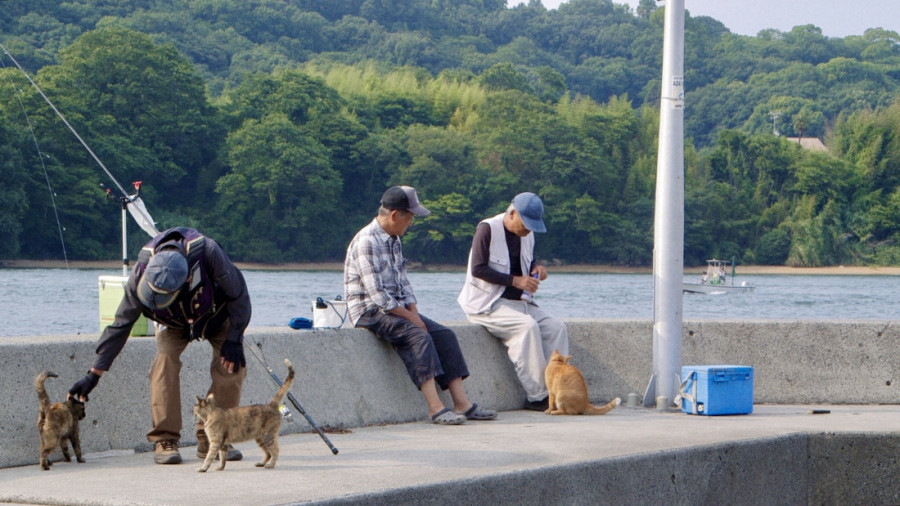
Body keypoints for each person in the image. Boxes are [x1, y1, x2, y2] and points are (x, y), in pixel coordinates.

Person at [68, 227, 251, 465]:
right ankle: (165, 439)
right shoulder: (140, 273)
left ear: (186, 279)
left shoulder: (209, 252)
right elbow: (121, 324)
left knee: (232, 366)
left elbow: (239, 294)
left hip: (214, 315)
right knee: (164, 361)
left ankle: (212, 437)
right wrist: (93, 375)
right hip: (171, 322)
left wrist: (235, 338)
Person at [344, 186, 496, 425]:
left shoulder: (394, 240)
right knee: (418, 336)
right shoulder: (367, 241)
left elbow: (403, 282)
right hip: (369, 311)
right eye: (410, 217)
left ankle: (462, 403)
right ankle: (435, 408)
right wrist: (413, 320)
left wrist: (414, 312)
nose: (411, 223)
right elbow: (377, 295)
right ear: (395, 215)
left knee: (444, 335)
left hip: (396, 309)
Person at [457, 192, 569, 411]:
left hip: (521, 303)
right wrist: (515, 281)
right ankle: (538, 396)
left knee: (557, 328)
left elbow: (529, 261)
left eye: (533, 226)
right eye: (525, 224)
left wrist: (537, 270)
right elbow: (477, 268)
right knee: (527, 328)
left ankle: (563, 390)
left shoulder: (528, 234)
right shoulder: (487, 229)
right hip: (487, 304)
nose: (527, 230)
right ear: (512, 213)